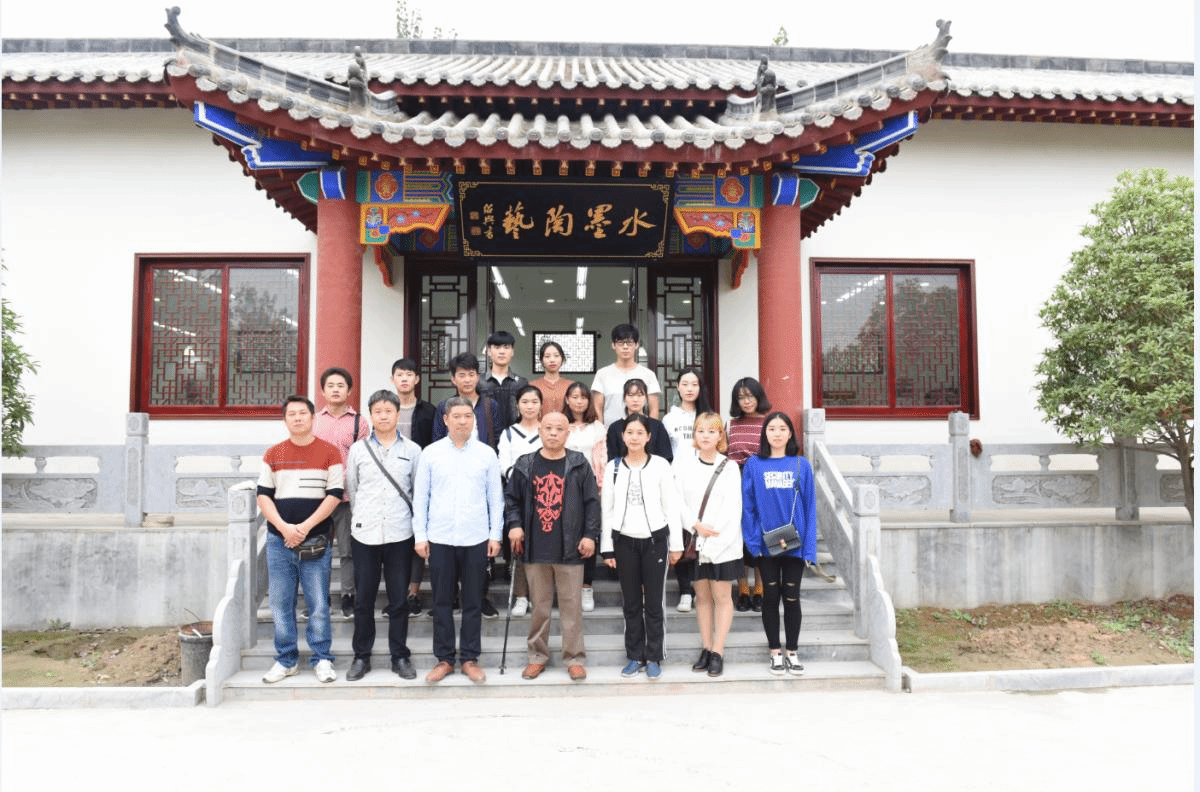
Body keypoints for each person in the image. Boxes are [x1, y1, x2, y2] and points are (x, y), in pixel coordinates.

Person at [413, 397, 504, 684]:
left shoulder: (487, 454)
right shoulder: (431, 453)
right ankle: (444, 659)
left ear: (473, 419)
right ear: (446, 420)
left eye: (467, 415)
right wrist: (420, 535)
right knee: (441, 601)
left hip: (476, 536)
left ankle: (469, 658)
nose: (463, 421)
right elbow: (421, 498)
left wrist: (495, 534)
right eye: (457, 416)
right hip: (440, 536)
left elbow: (496, 499)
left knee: (473, 601)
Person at [504, 412, 601, 681]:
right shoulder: (526, 463)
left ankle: (574, 658)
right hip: (535, 547)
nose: (553, 433)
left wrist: (590, 535)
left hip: (570, 547)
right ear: (540, 430)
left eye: (559, 429)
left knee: (572, 607)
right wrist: (515, 524)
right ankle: (537, 656)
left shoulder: (578, 463)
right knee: (540, 607)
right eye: (548, 428)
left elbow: (592, 502)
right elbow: (511, 499)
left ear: (567, 433)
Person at [256, 395, 344, 684]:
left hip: (315, 540)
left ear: (312, 417)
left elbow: (334, 495)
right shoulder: (273, 454)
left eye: (302, 413)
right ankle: (286, 660)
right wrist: (284, 528)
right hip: (279, 541)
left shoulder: (330, 452)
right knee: (281, 603)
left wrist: (304, 528)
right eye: (291, 414)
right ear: (285, 420)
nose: (297, 418)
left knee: (318, 604)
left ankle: (322, 658)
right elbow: (263, 496)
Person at [344, 390, 422, 681]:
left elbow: (417, 490)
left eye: (389, 411)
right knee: (364, 599)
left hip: (400, 533)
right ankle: (361, 656)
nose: (384, 416)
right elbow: (353, 488)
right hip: (365, 533)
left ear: (398, 414)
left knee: (398, 599)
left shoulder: (413, 450)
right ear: (371, 415)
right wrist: (364, 516)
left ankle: (399, 655)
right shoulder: (358, 450)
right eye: (378, 411)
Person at [600, 413, 683, 680]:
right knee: (631, 602)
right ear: (622, 436)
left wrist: (676, 545)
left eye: (639, 433)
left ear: (648, 437)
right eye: (629, 433)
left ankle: (655, 655)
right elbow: (607, 510)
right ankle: (635, 655)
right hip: (624, 542)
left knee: (655, 603)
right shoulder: (613, 467)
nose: (634, 437)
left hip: (655, 542)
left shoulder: (660, 466)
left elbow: (671, 507)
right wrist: (607, 548)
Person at [741, 411, 817, 676]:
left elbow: (810, 508)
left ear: (790, 434)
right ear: (765, 433)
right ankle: (775, 652)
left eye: (782, 428)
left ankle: (792, 652)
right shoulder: (754, 465)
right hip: (766, 545)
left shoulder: (801, 465)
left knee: (792, 597)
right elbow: (748, 506)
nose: (777, 433)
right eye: (771, 428)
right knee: (771, 597)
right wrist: (753, 543)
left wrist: (809, 548)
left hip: (795, 545)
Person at [673, 412, 743, 677]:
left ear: (720, 436)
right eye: (700, 430)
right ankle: (706, 646)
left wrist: (713, 537)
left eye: (711, 431)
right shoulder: (685, 465)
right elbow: (677, 500)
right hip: (695, 541)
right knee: (701, 598)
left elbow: (732, 507)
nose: (705, 436)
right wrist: (695, 525)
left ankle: (718, 651)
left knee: (722, 597)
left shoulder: (730, 467)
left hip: (722, 543)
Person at [313, 366, 370, 618]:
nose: (336, 390)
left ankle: (348, 596)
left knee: (348, 551)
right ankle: (319, 598)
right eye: (331, 386)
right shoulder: (314, 421)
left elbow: (363, 460)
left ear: (349, 391)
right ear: (323, 390)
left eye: (341, 386)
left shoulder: (360, 422)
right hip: (318, 498)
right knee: (318, 550)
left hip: (347, 498)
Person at [660, 367, 712, 612]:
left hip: (705, 482)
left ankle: (703, 589)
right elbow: (665, 452)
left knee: (703, 536)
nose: (689, 389)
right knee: (682, 535)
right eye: (685, 384)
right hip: (677, 483)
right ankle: (685, 591)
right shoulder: (669, 419)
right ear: (678, 387)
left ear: (700, 388)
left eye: (694, 384)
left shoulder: (710, 417)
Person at [391, 357, 438, 618]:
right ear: (393, 379)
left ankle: (413, 593)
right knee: (397, 541)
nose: (405, 379)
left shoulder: (429, 411)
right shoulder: (386, 408)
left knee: (418, 536)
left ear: (417, 379)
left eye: (409, 374)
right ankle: (397, 594)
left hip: (421, 480)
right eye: (400, 375)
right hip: (391, 483)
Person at [497, 383, 544, 616]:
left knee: (540, 548)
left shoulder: (547, 430)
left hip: (545, 496)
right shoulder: (509, 433)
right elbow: (504, 463)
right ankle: (521, 596)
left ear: (541, 405)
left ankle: (538, 596)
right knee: (519, 547)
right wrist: (522, 481)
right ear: (517, 405)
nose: (529, 406)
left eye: (534, 402)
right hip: (516, 495)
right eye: (525, 402)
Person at [727, 376, 772, 613]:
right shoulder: (729, 424)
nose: (746, 401)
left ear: (758, 397)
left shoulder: (769, 423)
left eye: (750, 396)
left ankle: (760, 589)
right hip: (735, 481)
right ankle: (743, 589)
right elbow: (719, 449)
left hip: (761, 482)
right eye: (741, 397)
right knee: (740, 536)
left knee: (761, 536)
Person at [563, 380, 607, 612]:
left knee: (589, 537)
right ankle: (568, 587)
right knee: (566, 536)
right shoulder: (560, 424)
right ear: (567, 400)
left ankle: (586, 586)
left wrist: (600, 488)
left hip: (590, 489)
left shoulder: (597, 427)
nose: (579, 401)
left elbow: (602, 459)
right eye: (574, 397)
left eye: (583, 397)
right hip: (563, 489)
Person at [591, 323, 662, 426]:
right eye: (620, 343)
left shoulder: (648, 375)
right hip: (609, 432)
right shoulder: (602, 374)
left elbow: (654, 409)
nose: (625, 347)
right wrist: (600, 431)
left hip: (640, 432)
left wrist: (651, 431)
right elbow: (597, 409)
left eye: (629, 343)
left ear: (636, 345)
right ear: (613, 345)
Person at [432, 352, 503, 451]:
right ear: (453, 379)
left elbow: (498, 440)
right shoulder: (444, 406)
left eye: (471, 375)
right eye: (462, 375)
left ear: (477, 377)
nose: (467, 380)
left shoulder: (491, 405)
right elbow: (437, 440)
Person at [605, 378, 672, 462]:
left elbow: (665, 457)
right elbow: (612, 459)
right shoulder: (615, 427)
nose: (635, 400)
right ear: (624, 398)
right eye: (631, 395)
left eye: (640, 395)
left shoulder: (657, 426)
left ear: (646, 398)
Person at [477, 330, 528, 429]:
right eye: (497, 347)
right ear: (489, 351)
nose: (502, 352)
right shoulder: (479, 382)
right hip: (486, 435)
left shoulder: (521, 383)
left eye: (506, 347)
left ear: (512, 352)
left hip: (514, 435)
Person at [529, 340, 573, 415]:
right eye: (547, 356)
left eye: (556, 356)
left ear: (562, 359)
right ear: (541, 360)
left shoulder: (571, 386)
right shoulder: (532, 386)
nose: (552, 360)